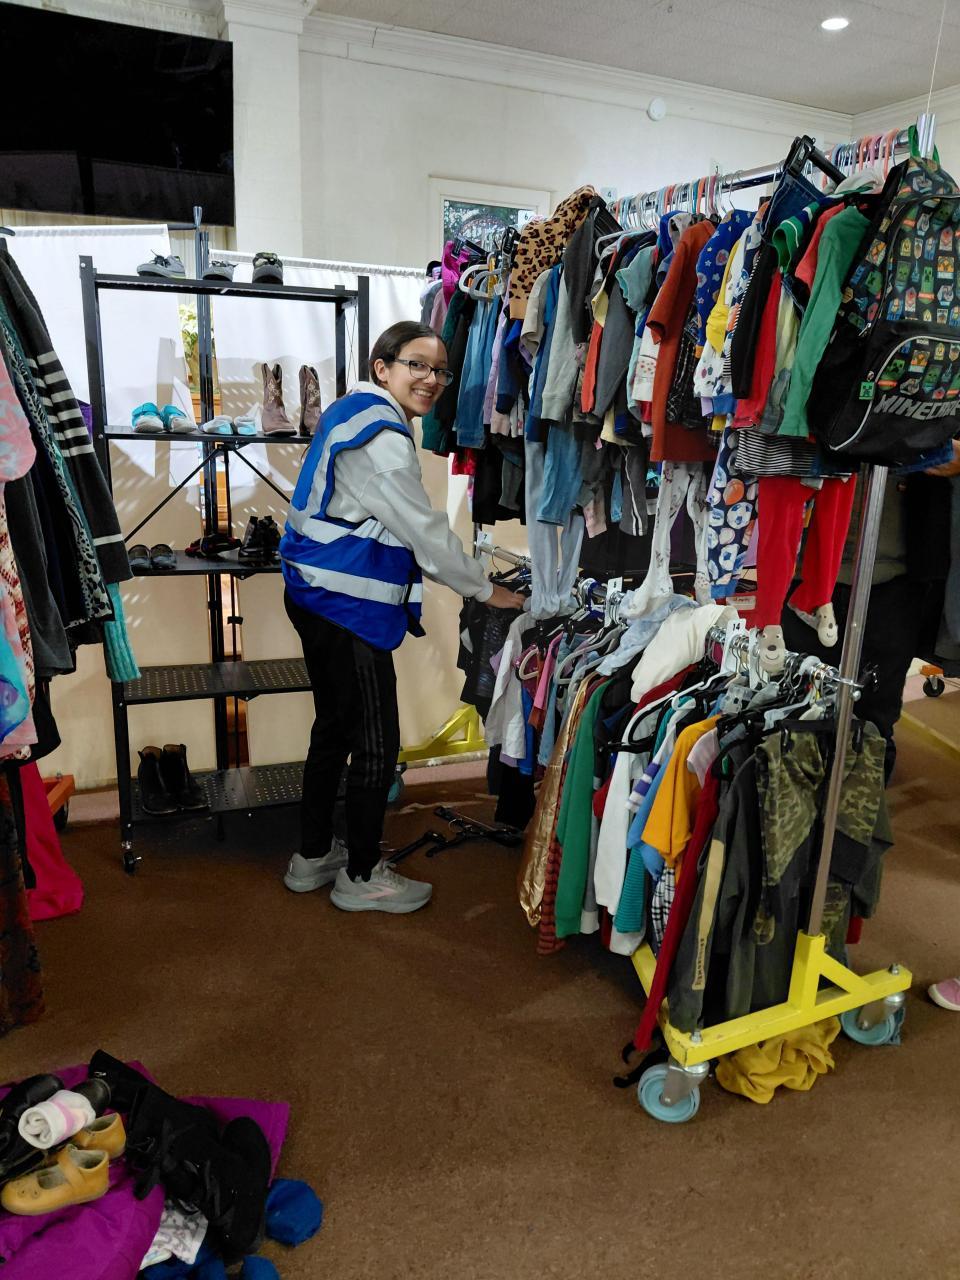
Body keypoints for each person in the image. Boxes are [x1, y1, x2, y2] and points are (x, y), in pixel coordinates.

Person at [278, 322, 523, 914]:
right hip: (345, 604)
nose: (432, 379)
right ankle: (361, 875)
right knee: (376, 742)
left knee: (333, 729)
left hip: (315, 591)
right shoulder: (383, 438)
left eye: (440, 370)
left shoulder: (354, 411)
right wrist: (484, 589)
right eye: (417, 364)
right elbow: (425, 533)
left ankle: (314, 855)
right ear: (382, 367)